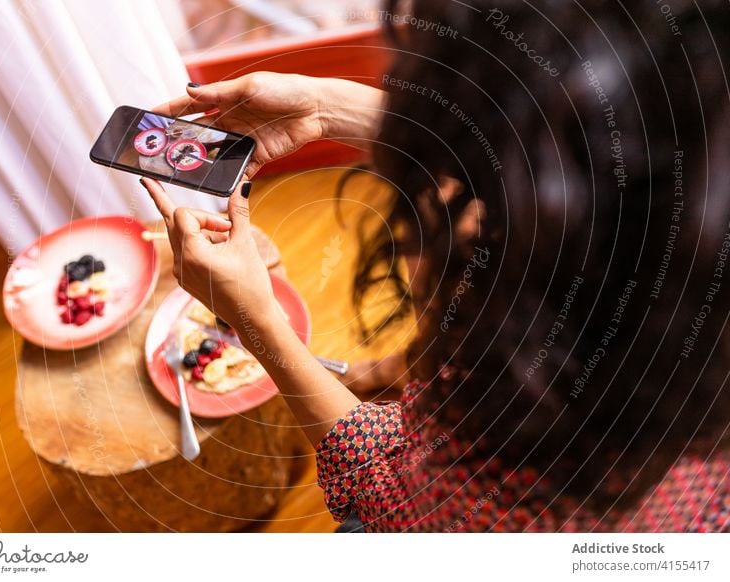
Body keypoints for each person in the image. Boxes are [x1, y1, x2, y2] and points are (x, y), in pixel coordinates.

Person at [140, 0, 730, 532]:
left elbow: (382, 494)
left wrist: (258, 321)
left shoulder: (533, 490)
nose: (460, 222)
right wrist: (326, 107)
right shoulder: (676, 222)